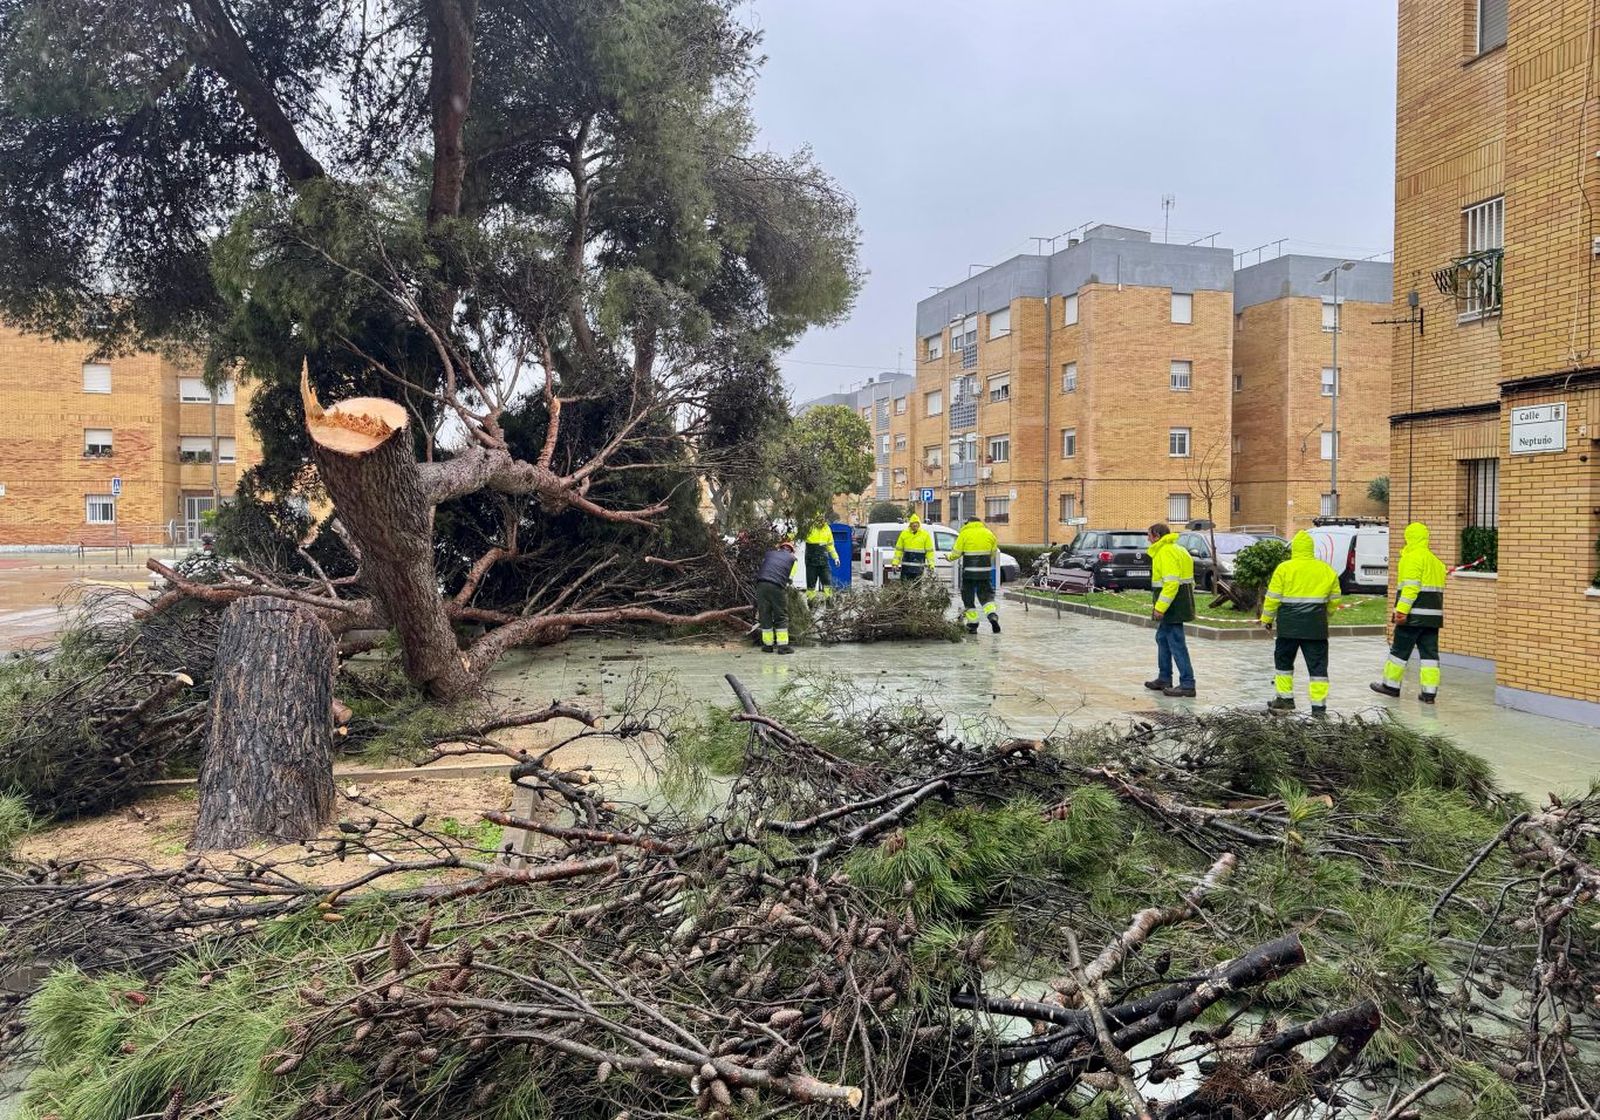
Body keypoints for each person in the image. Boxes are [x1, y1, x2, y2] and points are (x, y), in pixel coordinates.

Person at [1260, 530, 1342, 716]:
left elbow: (1273, 597)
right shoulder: (1326, 570)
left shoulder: (1284, 568)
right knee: (1318, 668)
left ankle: (1285, 699)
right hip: (1316, 628)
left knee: (1284, 663)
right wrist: (1326, 614)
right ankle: (1319, 707)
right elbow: (1335, 598)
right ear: (1311, 549)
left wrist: (1267, 619)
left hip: (1288, 627)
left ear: (1294, 549)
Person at [1371, 521, 1446, 703]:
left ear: (1409, 538)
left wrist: (1401, 611)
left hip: (1413, 616)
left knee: (1399, 652)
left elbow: (1411, 588)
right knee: (1430, 655)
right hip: (1433, 618)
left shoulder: (1412, 558)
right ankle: (1429, 694)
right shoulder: (1436, 562)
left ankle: (1390, 686)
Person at [1144, 523, 1196, 697]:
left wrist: (1160, 607)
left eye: (1149, 535)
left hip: (1172, 607)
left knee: (1176, 643)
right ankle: (1164, 678)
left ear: (1157, 536)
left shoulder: (1165, 552)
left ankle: (1187, 684)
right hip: (1178, 603)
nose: (1148, 539)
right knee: (1162, 638)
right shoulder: (1179, 549)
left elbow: (1171, 583)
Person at [947, 516, 1001, 633]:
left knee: (968, 598)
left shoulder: (964, 534)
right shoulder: (989, 533)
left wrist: (949, 557)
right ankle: (992, 615)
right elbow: (993, 552)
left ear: (968, 523)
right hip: (985, 572)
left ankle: (973, 625)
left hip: (969, 573)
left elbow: (956, 553)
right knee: (986, 596)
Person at [754, 538, 797, 654]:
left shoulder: (769, 554)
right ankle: (783, 646)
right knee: (781, 616)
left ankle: (768, 646)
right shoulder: (792, 558)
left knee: (765, 615)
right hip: (776, 586)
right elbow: (789, 578)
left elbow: (764, 567)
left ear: (780, 548)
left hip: (761, 584)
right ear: (791, 551)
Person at [803, 520, 838, 604]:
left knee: (827, 582)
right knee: (811, 583)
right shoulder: (808, 527)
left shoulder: (827, 529)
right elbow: (797, 535)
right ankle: (811, 602)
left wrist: (835, 557)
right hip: (811, 560)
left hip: (823, 560)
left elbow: (830, 545)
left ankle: (829, 602)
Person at [891, 515, 935, 582]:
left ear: (919, 524)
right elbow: (898, 551)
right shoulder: (904, 534)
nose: (915, 526)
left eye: (916, 524)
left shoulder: (925, 535)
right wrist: (895, 563)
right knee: (905, 588)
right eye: (913, 524)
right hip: (906, 568)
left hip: (918, 569)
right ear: (910, 525)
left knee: (916, 588)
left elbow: (929, 552)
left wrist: (931, 564)